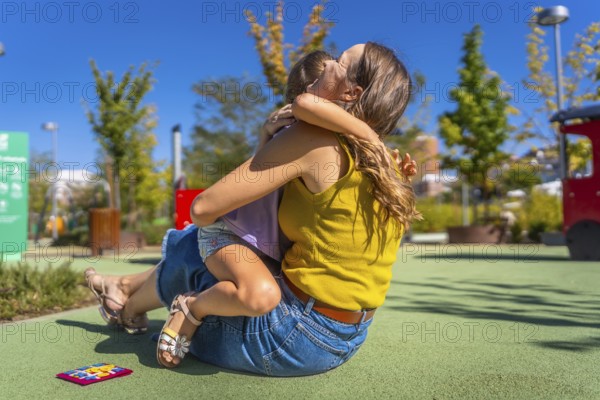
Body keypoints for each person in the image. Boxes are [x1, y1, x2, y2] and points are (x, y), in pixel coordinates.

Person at [85, 42, 420, 376]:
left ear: (351, 92)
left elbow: (203, 208)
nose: (328, 63)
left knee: (199, 241)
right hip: (348, 339)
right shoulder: (385, 166)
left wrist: (269, 137)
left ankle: (130, 302)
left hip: (290, 338)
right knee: (233, 245)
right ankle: (124, 289)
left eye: (339, 61)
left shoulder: (316, 139)